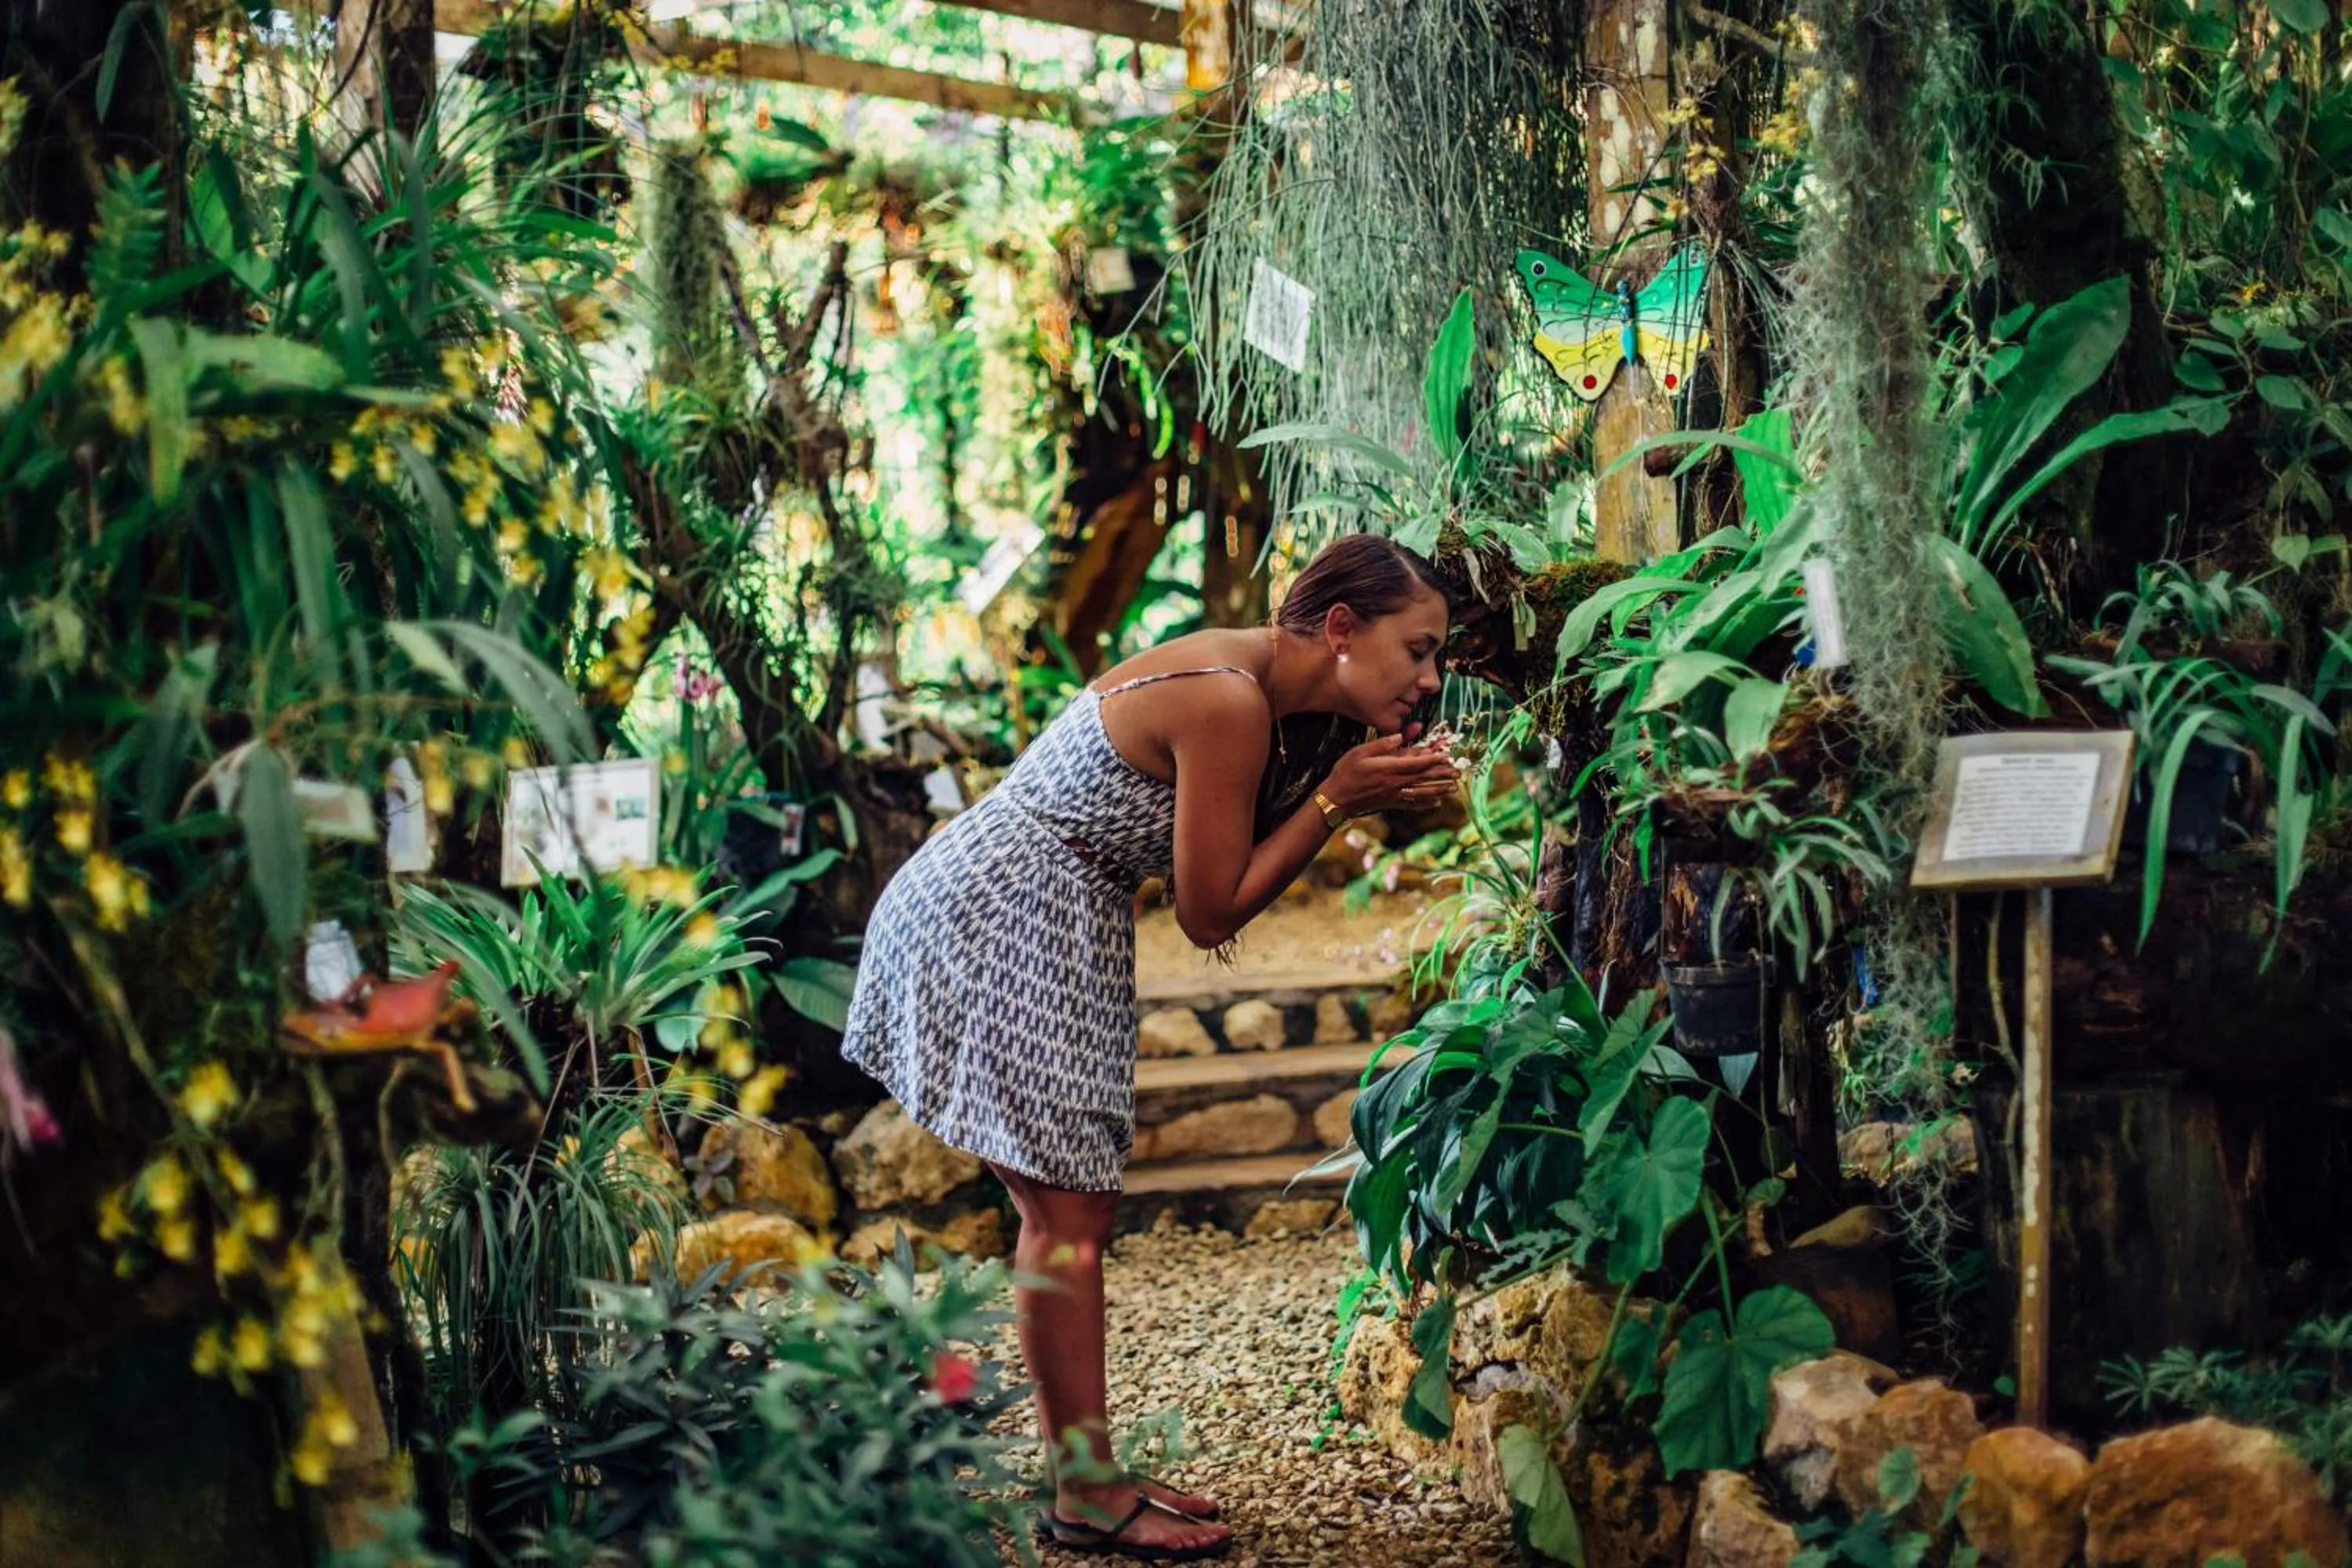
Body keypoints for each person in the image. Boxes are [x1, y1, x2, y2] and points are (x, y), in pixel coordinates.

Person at [839, 533, 1460, 1561]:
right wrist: (1340, 797)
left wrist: (1351, 788)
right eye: (1420, 649)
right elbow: (1211, 912)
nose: (1430, 679)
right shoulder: (1228, 701)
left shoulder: (1255, 684)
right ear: (1342, 628)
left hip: (1036, 906)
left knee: (1066, 1209)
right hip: (1002, 914)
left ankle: (1090, 1476)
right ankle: (1084, 1493)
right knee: (1066, 1214)